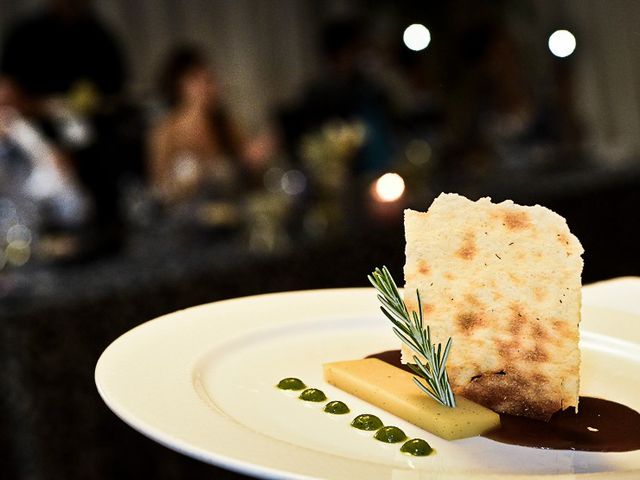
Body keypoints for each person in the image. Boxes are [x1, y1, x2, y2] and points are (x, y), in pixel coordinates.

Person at [148, 45, 268, 205]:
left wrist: (253, 161)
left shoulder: (225, 123)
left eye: (210, 79)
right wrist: (184, 183)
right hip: (187, 219)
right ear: (179, 86)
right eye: (197, 80)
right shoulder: (164, 132)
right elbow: (158, 191)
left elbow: (251, 173)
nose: (209, 87)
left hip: (230, 209)